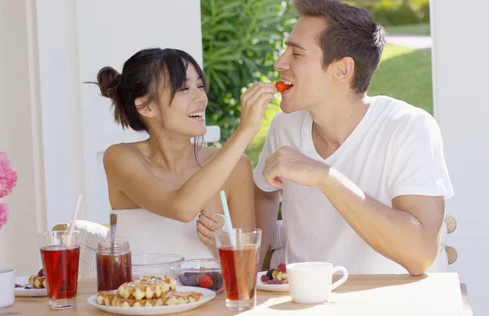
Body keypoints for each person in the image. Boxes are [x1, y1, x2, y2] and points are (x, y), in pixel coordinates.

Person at [253, 0, 453, 275]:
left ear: (342, 70)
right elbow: (263, 193)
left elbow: (420, 254)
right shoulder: (284, 127)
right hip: (307, 301)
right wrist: (250, 269)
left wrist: (325, 177)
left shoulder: (408, 128)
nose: (280, 63)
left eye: (296, 53)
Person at [97, 48, 273, 259]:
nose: (201, 98)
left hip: (209, 292)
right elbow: (181, 207)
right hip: (139, 291)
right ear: (146, 107)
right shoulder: (120, 157)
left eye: (199, 86)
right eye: (183, 89)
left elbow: (248, 266)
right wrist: (245, 130)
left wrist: (221, 243)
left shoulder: (236, 167)